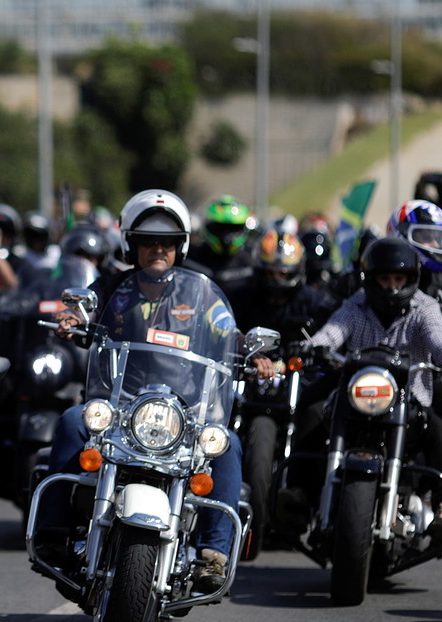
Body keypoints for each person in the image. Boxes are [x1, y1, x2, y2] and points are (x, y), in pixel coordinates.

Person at [43, 189, 275, 594]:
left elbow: (227, 330)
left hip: (184, 411)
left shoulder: (200, 293)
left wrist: (250, 352)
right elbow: (87, 306)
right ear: (131, 244)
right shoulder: (115, 288)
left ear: (179, 246)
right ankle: (53, 531)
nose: (157, 249)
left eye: (166, 242)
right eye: (148, 241)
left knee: (228, 444)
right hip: (122, 406)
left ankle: (212, 555)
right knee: (69, 421)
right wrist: (71, 316)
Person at [291, 237, 442, 534]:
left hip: (409, 401)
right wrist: (312, 347)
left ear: (412, 279)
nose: (392, 286)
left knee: (438, 428)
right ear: (371, 279)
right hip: (356, 398)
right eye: (384, 278)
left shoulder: (425, 307)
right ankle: (298, 494)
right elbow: (332, 332)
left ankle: (440, 504)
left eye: (399, 278)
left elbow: (437, 339)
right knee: (312, 412)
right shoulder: (355, 304)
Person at [186, 194, 256, 310]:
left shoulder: (253, 260)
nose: (226, 237)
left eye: (232, 229)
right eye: (219, 228)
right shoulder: (191, 259)